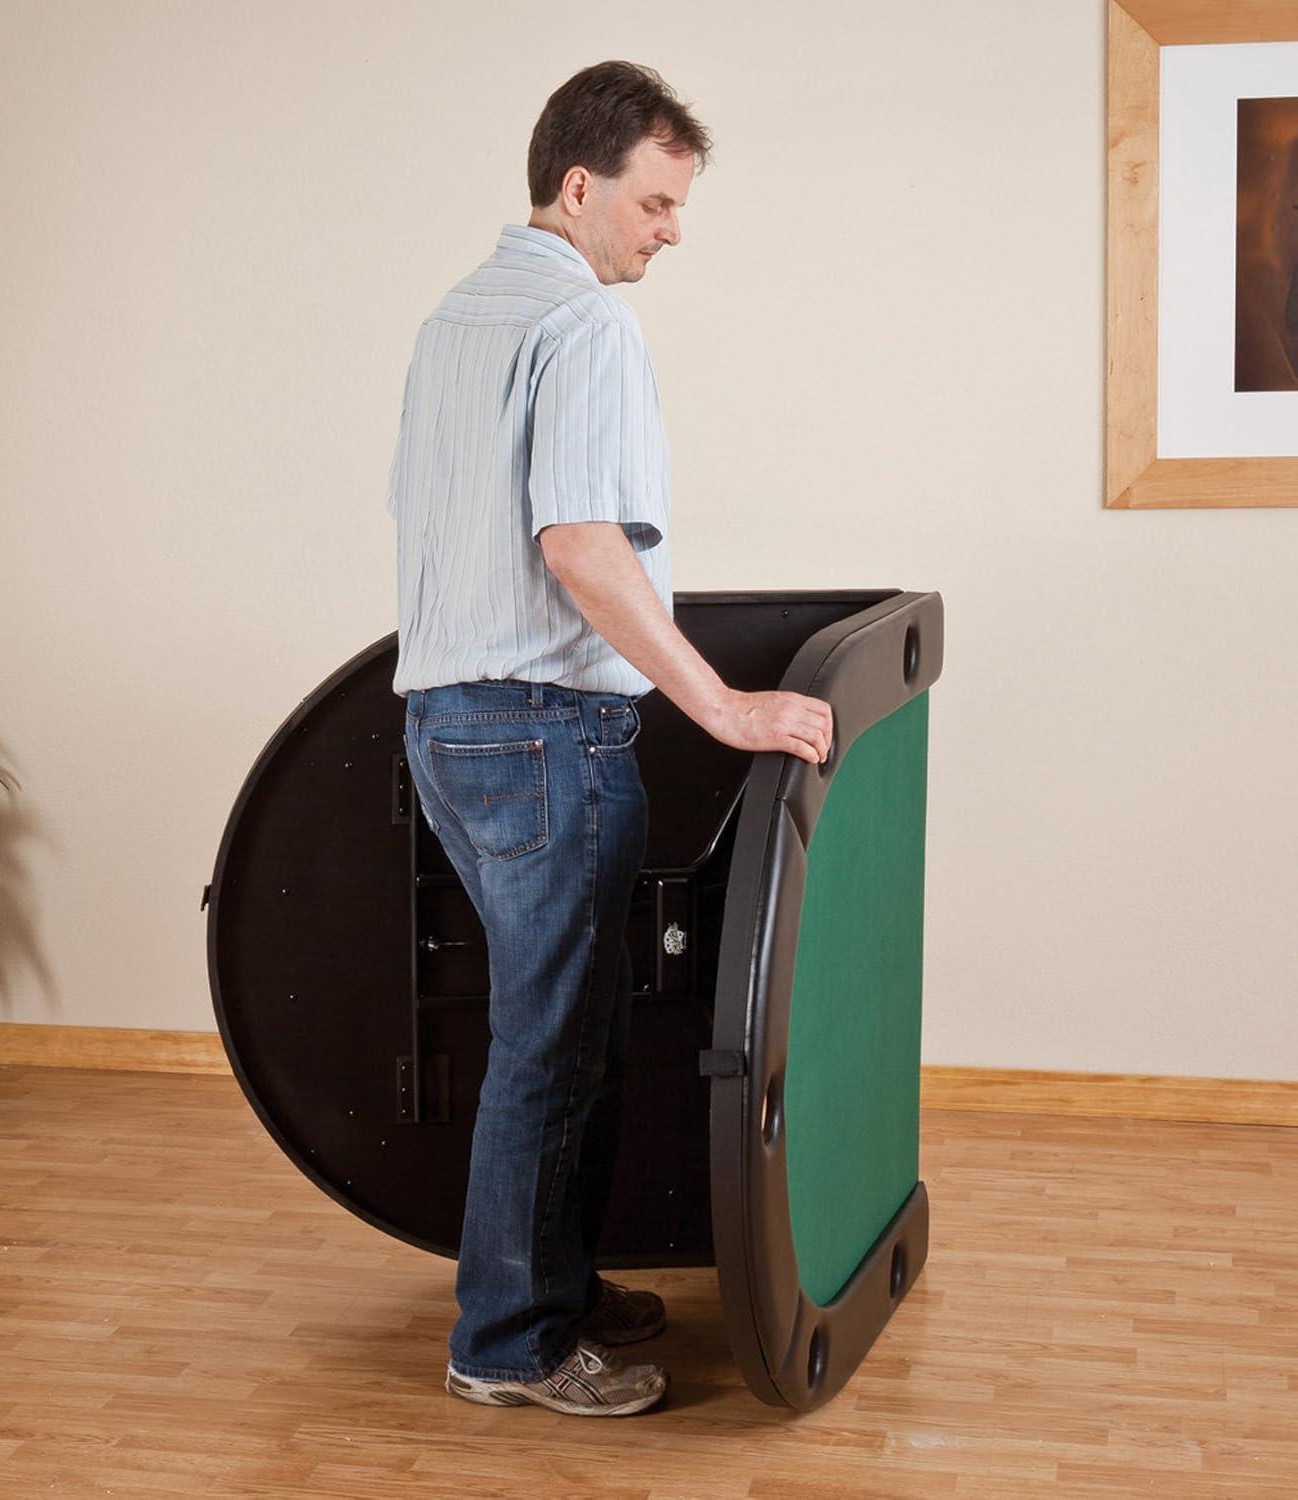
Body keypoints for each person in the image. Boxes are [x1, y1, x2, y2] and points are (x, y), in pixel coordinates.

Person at [386, 60, 833, 1418]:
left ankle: (553, 1287)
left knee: (556, 1031)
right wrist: (725, 707)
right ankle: (510, 1342)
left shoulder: (456, 318)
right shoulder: (582, 329)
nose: (669, 231)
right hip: (536, 732)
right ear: (578, 188)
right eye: (653, 203)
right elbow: (579, 547)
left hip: (447, 723)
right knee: (554, 1041)